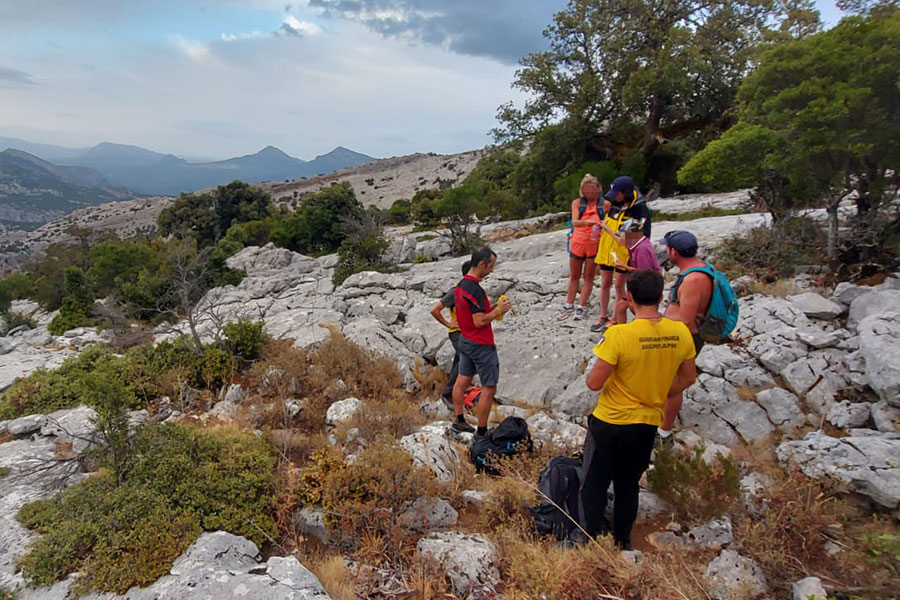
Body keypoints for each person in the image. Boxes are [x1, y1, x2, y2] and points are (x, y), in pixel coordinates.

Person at [579, 269, 697, 549]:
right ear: (660, 297)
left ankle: (588, 540)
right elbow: (689, 377)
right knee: (628, 486)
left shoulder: (620, 335)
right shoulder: (679, 332)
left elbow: (594, 383)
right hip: (646, 423)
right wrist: (659, 392)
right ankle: (623, 542)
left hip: (610, 422)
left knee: (594, 483)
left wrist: (617, 323)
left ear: (629, 296)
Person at [451, 247, 512, 437]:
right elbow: (480, 321)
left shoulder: (461, 286)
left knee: (462, 380)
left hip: (465, 340)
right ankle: (482, 432)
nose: (492, 270)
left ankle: (459, 420)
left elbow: (473, 314)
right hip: (481, 344)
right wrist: (498, 311)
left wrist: (493, 307)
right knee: (489, 387)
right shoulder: (475, 290)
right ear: (482, 264)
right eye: (491, 266)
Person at [659, 230, 713, 443]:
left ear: (674, 251)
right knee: (671, 383)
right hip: (682, 337)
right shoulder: (699, 269)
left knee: (673, 385)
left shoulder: (692, 280)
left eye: (667, 248)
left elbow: (686, 321)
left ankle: (663, 432)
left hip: (683, 339)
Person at [591, 176, 653, 333]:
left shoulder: (639, 209)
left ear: (625, 192)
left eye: (617, 193)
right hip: (607, 249)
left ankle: (614, 319)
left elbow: (631, 238)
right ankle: (602, 315)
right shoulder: (616, 204)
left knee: (619, 285)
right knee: (605, 282)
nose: (614, 197)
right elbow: (609, 221)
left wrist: (608, 230)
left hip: (623, 253)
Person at [558, 174, 605, 321]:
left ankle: (581, 306)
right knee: (574, 276)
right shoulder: (577, 203)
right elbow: (575, 222)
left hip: (594, 244)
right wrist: (591, 222)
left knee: (589, 277)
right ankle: (569, 305)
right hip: (578, 242)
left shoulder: (605, 204)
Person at [430, 260, 472, 408]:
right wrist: (448, 323)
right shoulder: (456, 291)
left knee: (459, 361)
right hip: (457, 333)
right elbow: (435, 310)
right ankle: (449, 394)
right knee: (465, 357)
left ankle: (456, 391)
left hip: (467, 332)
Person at [608, 218, 661, 326]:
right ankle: (622, 329)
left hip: (647, 285)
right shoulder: (637, 245)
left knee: (629, 307)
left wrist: (624, 267)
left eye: (625, 235)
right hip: (643, 282)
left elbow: (645, 273)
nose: (623, 238)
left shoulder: (642, 249)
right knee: (621, 306)